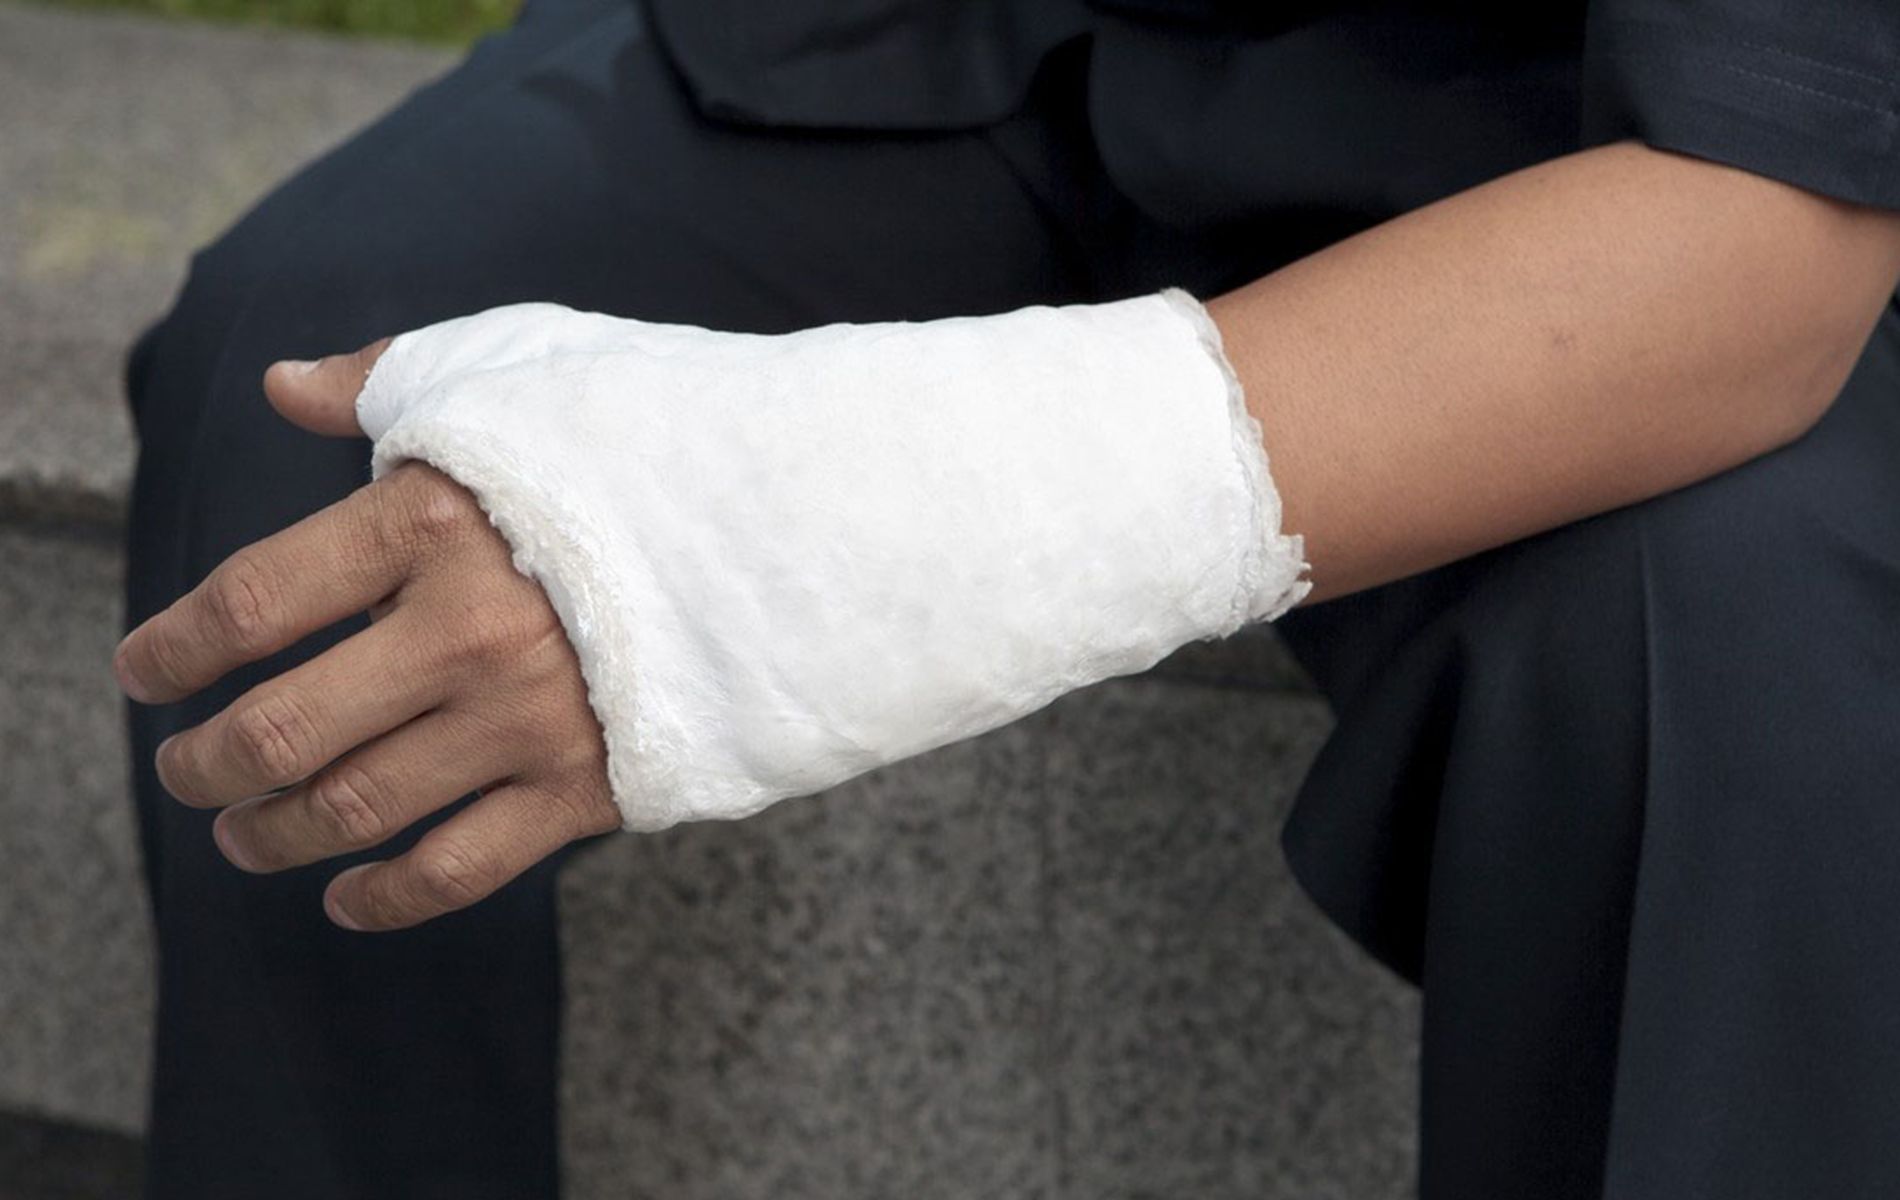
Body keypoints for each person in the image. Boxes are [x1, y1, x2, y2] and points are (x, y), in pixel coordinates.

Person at [115, 0, 1900, 1196]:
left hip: (1584, 137)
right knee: (335, 405)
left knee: (1723, 638)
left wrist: (772, 541)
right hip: (914, 44)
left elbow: (1768, 217)